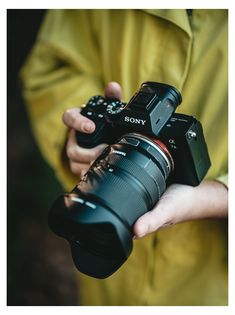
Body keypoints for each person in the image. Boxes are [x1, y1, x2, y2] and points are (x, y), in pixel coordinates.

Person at [21, 9, 228, 305]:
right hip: (109, 285)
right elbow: (53, 66)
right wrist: (78, 136)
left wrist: (219, 195)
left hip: (211, 289)